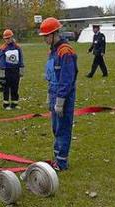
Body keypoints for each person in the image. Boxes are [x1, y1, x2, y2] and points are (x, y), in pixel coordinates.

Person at [39, 17, 78, 171]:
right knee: (55, 128)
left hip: (64, 96)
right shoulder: (53, 51)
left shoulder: (65, 52)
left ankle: (61, 162)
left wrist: (60, 100)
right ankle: (57, 157)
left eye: (46, 36)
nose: (44, 39)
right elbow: (53, 75)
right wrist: (51, 96)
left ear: (55, 34)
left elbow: (66, 79)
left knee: (62, 128)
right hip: (54, 94)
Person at [0, 29, 24, 110]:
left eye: (9, 38)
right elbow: (1, 61)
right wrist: (2, 74)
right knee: (6, 88)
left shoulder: (17, 47)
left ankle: (14, 103)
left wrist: (21, 69)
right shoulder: (3, 48)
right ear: (4, 39)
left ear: (12, 37)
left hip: (15, 70)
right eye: (6, 38)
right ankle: (6, 104)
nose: (8, 40)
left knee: (15, 87)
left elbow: (20, 58)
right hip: (7, 71)